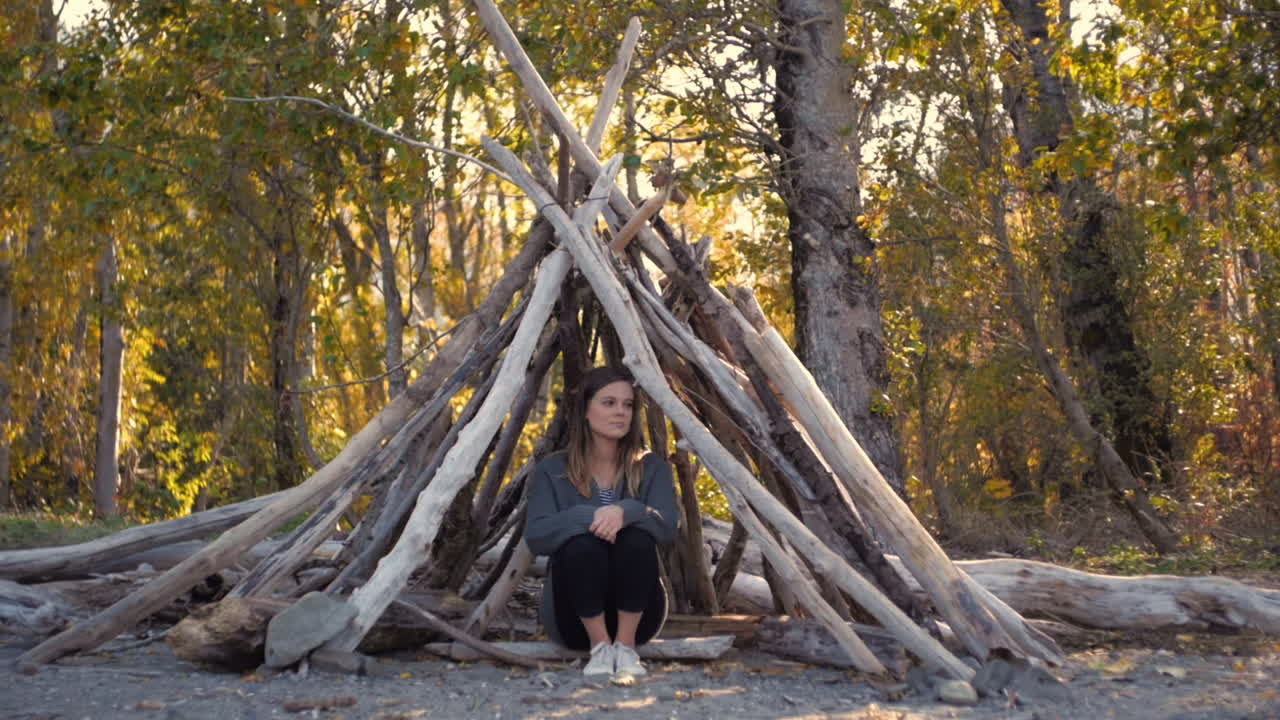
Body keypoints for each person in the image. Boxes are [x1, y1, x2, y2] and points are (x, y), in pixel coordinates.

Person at [524, 366, 678, 678]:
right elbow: (537, 536)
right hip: (571, 620)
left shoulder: (651, 468)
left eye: (627, 404)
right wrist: (589, 517)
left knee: (636, 539)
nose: (621, 412)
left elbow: (666, 527)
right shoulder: (553, 470)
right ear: (584, 410)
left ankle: (624, 647)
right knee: (582, 545)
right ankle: (599, 648)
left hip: (640, 619)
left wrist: (628, 511)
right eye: (609, 403)